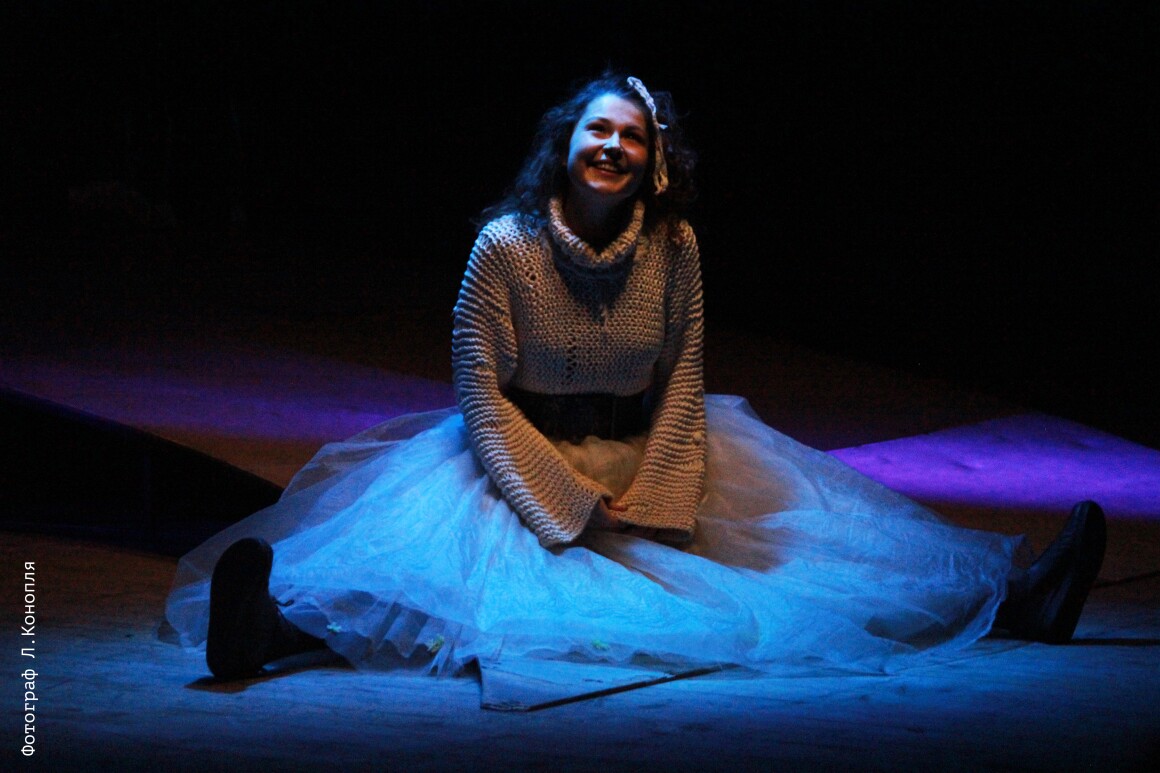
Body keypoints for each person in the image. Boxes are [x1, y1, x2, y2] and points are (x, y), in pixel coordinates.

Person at [166, 71, 1106, 681]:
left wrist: (657, 495)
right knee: (425, 584)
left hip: (644, 450)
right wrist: (571, 501)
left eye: (634, 136)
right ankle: (267, 632)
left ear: (655, 161)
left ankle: (1018, 598)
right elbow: (480, 393)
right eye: (598, 129)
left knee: (812, 565)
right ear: (565, 143)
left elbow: (684, 375)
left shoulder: (674, 247)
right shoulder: (505, 247)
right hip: (517, 457)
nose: (613, 146)